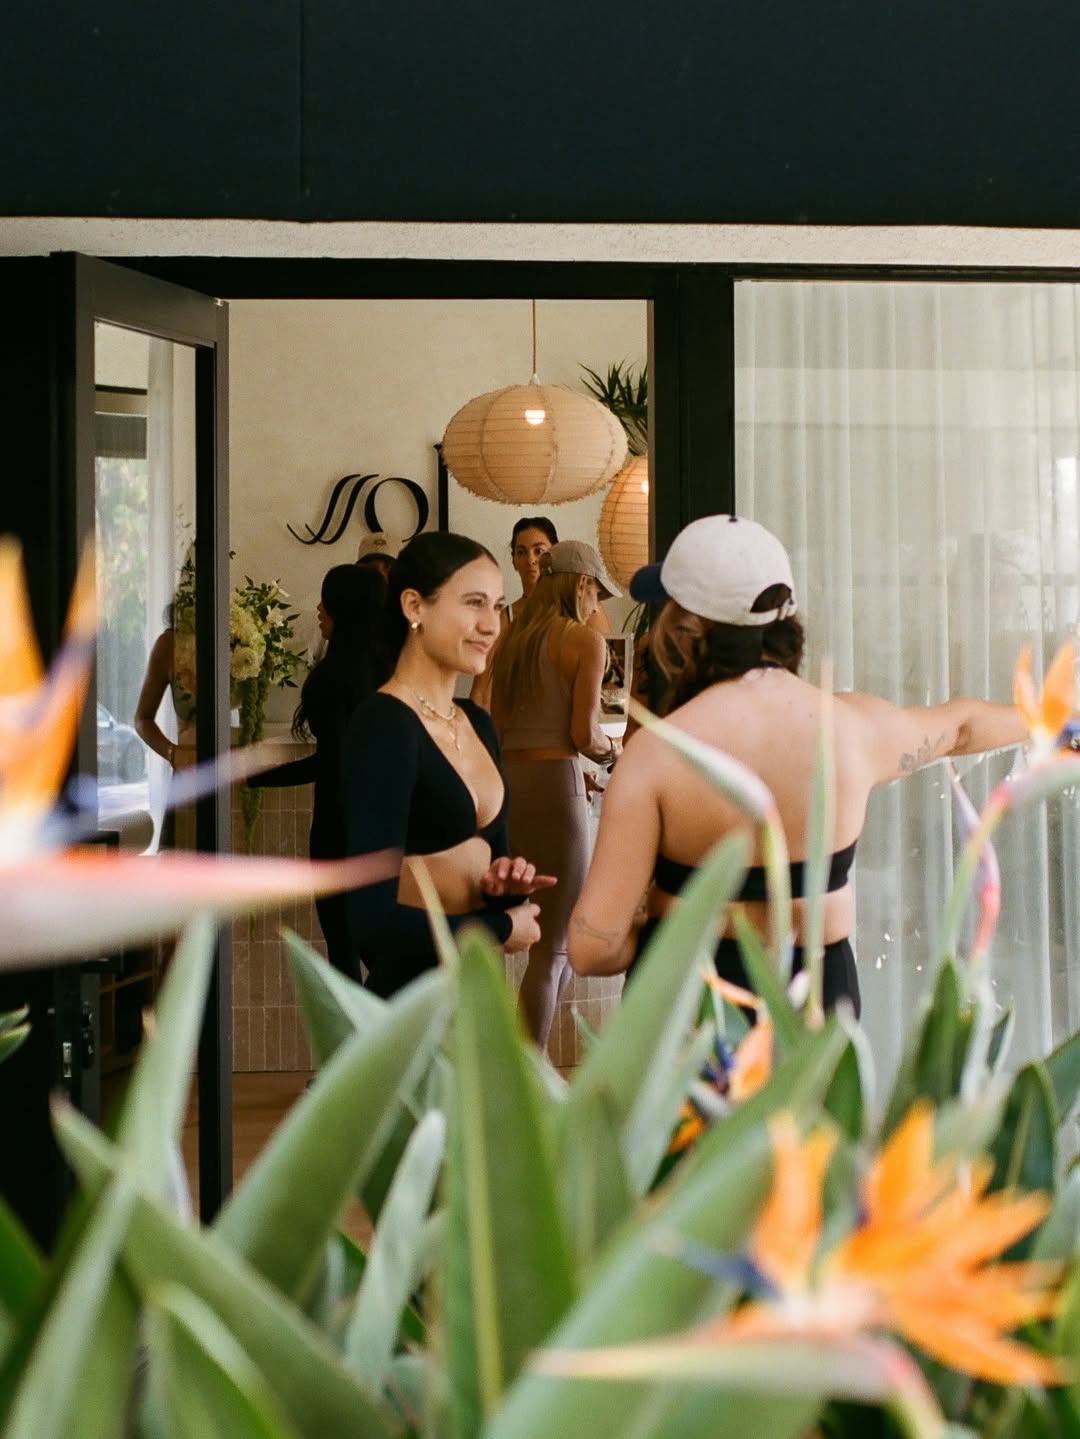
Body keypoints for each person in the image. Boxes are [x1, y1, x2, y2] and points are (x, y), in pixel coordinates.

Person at [568, 514, 1032, 1015]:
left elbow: (592, 948)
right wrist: (1063, 719)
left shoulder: (656, 756)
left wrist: (673, 915)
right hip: (816, 1005)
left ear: (684, 632)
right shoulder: (853, 730)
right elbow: (963, 726)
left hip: (689, 1005)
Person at [343, 530, 555, 998]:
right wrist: (498, 926)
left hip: (473, 999)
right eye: (474, 603)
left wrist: (506, 887)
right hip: (408, 1009)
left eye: (497, 606)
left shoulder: (477, 721)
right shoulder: (384, 725)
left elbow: (491, 861)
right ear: (414, 606)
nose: (491, 625)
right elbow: (371, 926)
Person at [489, 540, 623, 1047]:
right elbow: (581, 735)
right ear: (583, 584)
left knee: (541, 939)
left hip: (512, 785)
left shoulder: (513, 640)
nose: (596, 607)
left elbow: (498, 728)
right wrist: (615, 752)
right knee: (556, 946)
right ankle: (531, 1072)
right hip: (558, 787)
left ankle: (525, 1061)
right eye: (596, 595)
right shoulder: (584, 642)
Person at [248, 564, 387, 979]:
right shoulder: (391, 670)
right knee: (382, 956)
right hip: (385, 830)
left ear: (345, 608)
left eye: (327, 601)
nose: (318, 609)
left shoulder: (334, 676)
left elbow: (332, 763)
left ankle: (354, 1043)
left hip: (338, 831)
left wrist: (255, 777)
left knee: (343, 957)